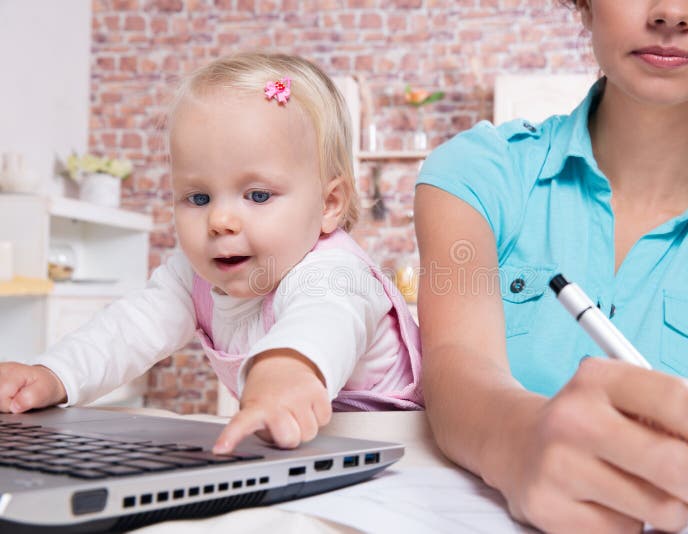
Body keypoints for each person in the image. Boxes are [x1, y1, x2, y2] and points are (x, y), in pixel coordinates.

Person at [415, 0, 688, 531]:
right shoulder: (477, 173)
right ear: (585, 4)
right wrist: (522, 441)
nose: (671, 12)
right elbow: (454, 367)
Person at [0, 52, 423, 454]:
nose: (220, 220)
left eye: (257, 195)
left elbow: (323, 322)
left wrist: (281, 373)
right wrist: (52, 375)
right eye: (198, 198)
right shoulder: (193, 276)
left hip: (396, 447)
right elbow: (124, 331)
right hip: (307, 448)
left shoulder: (335, 271)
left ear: (329, 204)